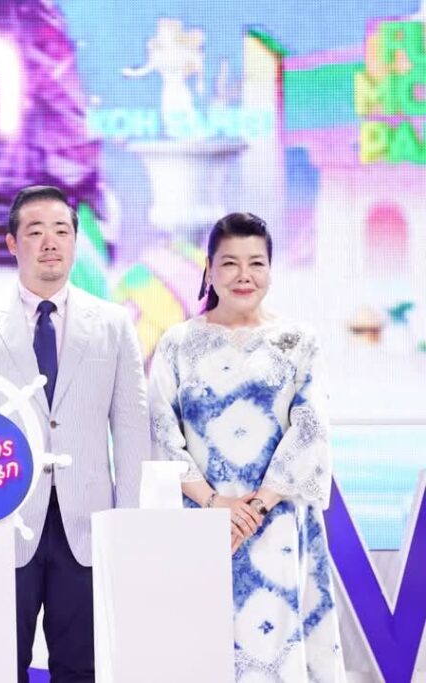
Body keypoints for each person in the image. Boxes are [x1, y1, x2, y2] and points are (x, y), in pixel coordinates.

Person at [0, 186, 149, 683]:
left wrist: (127, 517)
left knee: (82, 664)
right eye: (35, 231)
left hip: (87, 521)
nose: (50, 242)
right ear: (12, 243)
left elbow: (131, 426)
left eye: (61, 230)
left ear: (76, 241)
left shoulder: (113, 324)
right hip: (2, 518)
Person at [148, 212, 345, 680]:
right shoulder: (177, 344)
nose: (244, 275)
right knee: (200, 650)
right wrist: (215, 504)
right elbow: (160, 430)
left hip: (277, 525)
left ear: (271, 270)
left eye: (256, 263)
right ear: (209, 270)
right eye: (230, 263)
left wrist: (254, 509)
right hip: (198, 524)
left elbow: (311, 428)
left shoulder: (299, 342)